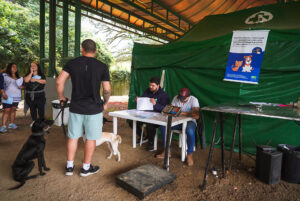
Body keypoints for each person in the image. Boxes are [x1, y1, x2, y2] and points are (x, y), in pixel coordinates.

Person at [56, 39, 111, 177]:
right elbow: (107, 89)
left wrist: (61, 96)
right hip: (94, 108)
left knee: (73, 137)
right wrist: (105, 102)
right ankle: (86, 169)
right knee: (91, 139)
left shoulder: (72, 63)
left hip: (76, 107)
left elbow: (59, 81)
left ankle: (69, 167)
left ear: (82, 49)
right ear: (96, 51)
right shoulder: (102, 66)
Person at [156, 88, 199, 166]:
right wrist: (172, 111)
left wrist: (181, 113)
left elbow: (196, 115)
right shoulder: (176, 98)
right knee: (163, 126)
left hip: (190, 121)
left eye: (184, 99)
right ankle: (167, 150)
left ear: (189, 96)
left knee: (189, 131)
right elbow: (169, 110)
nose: (182, 101)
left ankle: (189, 154)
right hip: (177, 121)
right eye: (180, 98)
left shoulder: (194, 100)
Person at [136, 76, 170, 151]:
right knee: (132, 121)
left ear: (158, 86)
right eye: (150, 85)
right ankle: (144, 137)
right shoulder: (147, 91)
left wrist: (155, 104)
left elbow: (165, 110)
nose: (150, 87)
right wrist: (139, 100)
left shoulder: (164, 95)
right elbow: (143, 100)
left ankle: (151, 143)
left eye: (153, 85)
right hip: (146, 114)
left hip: (158, 117)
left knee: (150, 124)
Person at [0, 63, 23, 133]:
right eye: (13, 66)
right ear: (9, 68)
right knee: (6, 110)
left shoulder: (19, 77)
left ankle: (11, 124)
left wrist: (22, 87)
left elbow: (23, 86)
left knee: (13, 110)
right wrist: (3, 93)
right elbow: (0, 84)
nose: (15, 68)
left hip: (17, 97)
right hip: (7, 96)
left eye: (16, 67)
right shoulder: (4, 75)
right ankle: (3, 126)